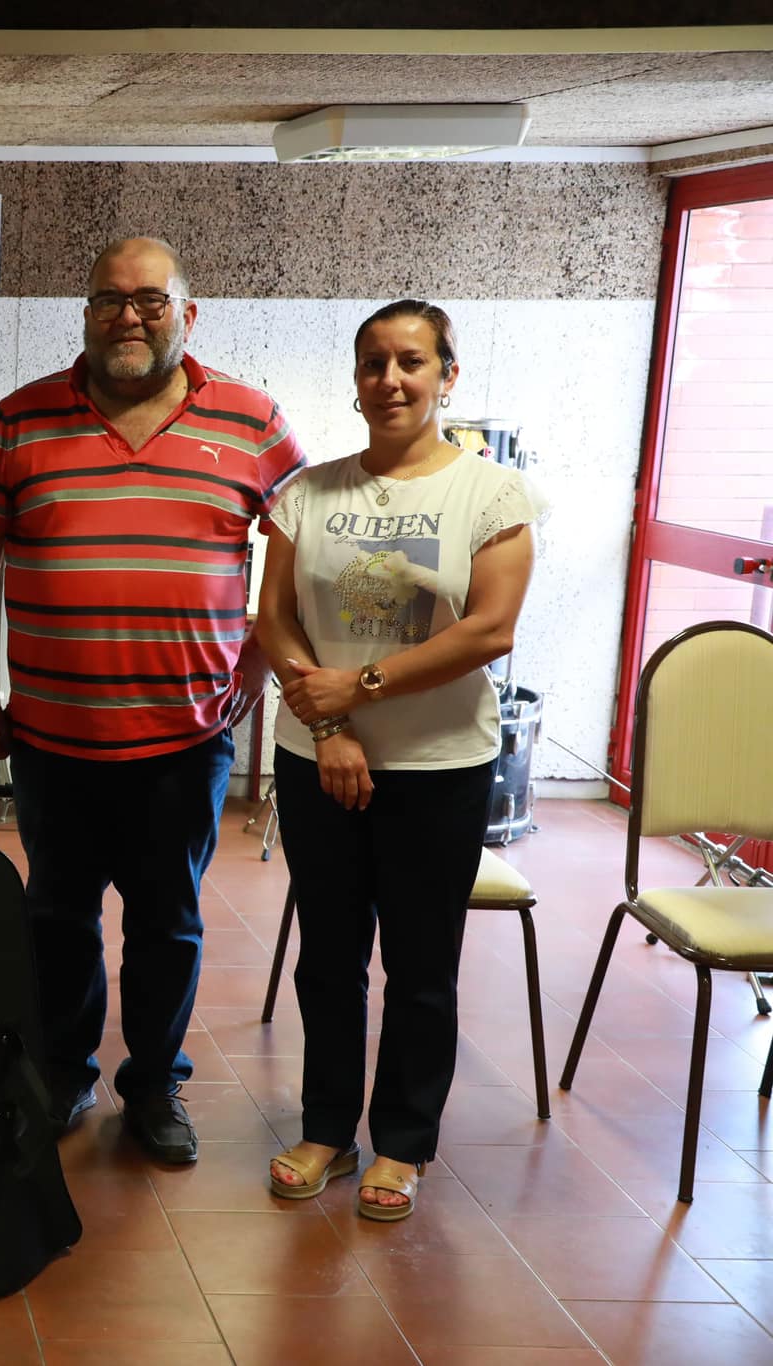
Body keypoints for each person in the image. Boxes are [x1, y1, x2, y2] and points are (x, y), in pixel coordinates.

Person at [0, 236, 306, 1165]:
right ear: (86, 314)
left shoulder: (253, 423)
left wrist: (258, 667)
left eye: (150, 301)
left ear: (189, 314)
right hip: (53, 737)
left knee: (168, 921)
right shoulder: (21, 420)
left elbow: (302, 554)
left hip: (184, 741)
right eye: (109, 300)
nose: (129, 317)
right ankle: (65, 1071)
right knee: (56, 918)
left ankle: (154, 1084)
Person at [256, 300, 542, 1220]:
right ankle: (328, 1129)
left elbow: (490, 630)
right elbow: (275, 620)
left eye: (412, 362)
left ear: (446, 376)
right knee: (329, 957)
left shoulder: (489, 495)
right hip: (317, 760)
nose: (391, 380)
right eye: (373, 362)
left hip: (439, 769)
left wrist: (360, 689)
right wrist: (330, 724)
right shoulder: (308, 492)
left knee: (422, 964)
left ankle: (406, 1143)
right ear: (355, 377)